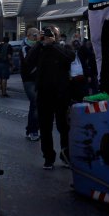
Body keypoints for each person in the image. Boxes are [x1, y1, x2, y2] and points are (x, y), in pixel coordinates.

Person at [26, 26, 75, 170]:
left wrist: (53, 44)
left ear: (58, 35)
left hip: (61, 94)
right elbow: (28, 61)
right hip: (43, 93)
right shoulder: (40, 48)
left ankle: (66, 155)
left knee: (63, 127)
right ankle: (48, 158)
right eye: (46, 34)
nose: (48, 36)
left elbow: (69, 58)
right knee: (45, 127)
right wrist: (39, 43)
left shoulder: (63, 47)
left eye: (52, 34)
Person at [19, 27, 40, 141]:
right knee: (35, 102)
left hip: (39, 79)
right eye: (34, 35)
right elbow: (28, 60)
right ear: (28, 36)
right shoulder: (25, 47)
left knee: (36, 105)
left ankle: (31, 129)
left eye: (37, 34)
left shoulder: (39, 46)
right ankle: (33, 130)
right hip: (29, 79)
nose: (36, 37)